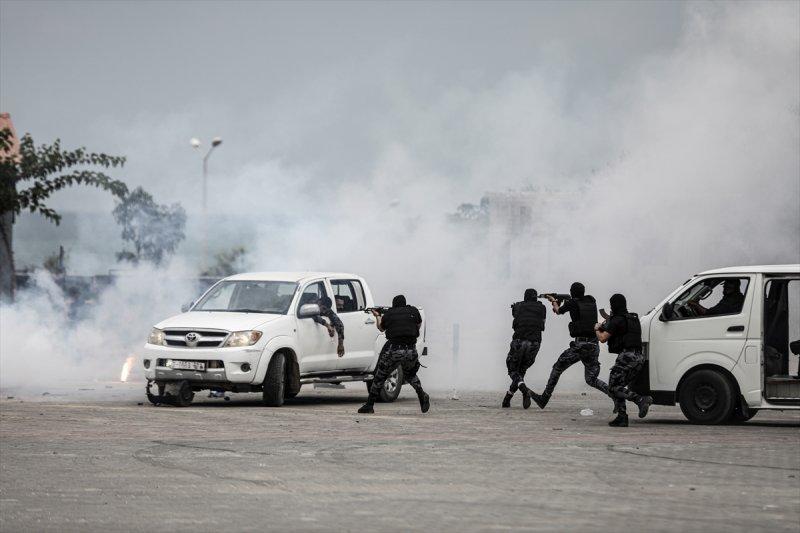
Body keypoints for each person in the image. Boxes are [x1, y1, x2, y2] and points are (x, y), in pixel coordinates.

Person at [530, 282, 610, 409]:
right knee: (591, 379)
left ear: (572, 292)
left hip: (581, 346)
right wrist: (561, 301)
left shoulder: (572, 303)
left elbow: (558, 311)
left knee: (557, 367)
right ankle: (617, 396)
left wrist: (553, 301)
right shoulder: (591, 301)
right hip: (593, 344)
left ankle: (544, 398)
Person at [358, 295, 430, 414]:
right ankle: (421, 394)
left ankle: (369, 405)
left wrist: (378, 316)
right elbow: (418, 325)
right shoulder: (413, 311)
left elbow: (381, 328)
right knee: (411, 375)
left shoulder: (389, 314)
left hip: (394, 350)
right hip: (411, 350)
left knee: (380, 376)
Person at [595, 293, 653, 427]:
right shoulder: (633, 319)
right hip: (639, 357)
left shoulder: (617, 320)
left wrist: (597, 329)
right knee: (618, 386)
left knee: (613, 387)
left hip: (627, 356)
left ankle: (640, 400)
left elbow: (602, 338)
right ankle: (622, 417)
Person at [502, 288, 546, 409]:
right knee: (521, 371)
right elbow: (542, 321)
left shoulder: (518, 306)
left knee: (512, 370)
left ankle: (524, 390)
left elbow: (515, 315)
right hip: (535, 343)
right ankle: (508, 398)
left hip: (519, 341)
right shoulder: (542, 308)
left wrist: (515, 307)